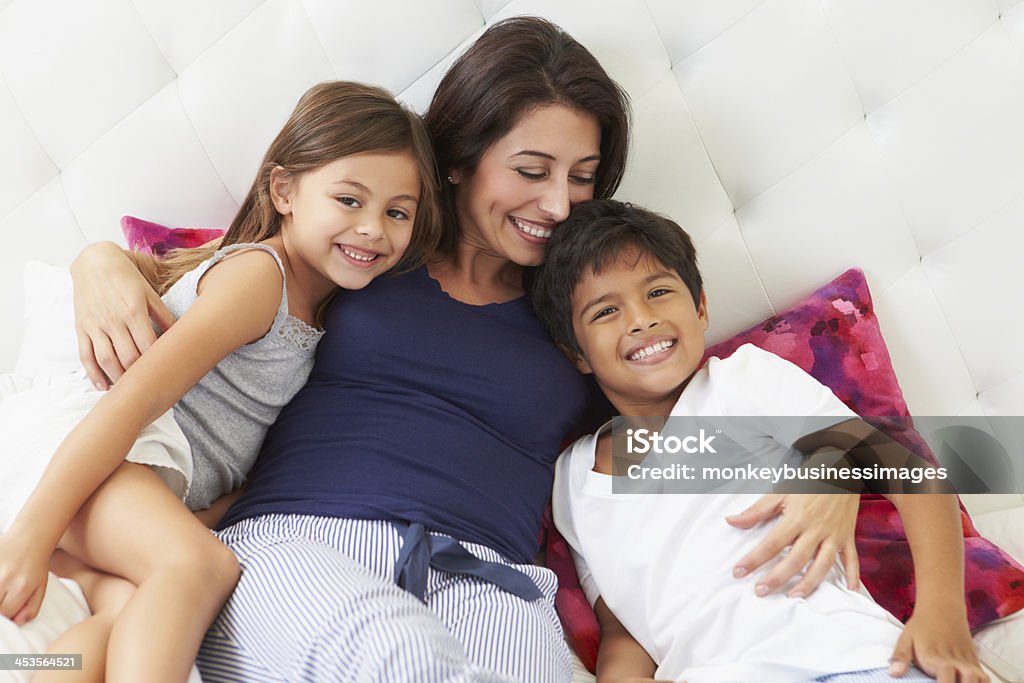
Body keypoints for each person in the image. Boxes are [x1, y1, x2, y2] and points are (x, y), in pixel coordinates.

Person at [67, 18, 865, 682]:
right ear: (457, 158)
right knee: (403, 659)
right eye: (530, 169)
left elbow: (695, 433)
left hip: (495, 585)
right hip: (299, 545)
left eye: (582, 177)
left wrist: (838, 471)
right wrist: (96, 262)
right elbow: (211, 270)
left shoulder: (589, 319)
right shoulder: (369, 243)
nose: (557, 204)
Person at [0, 80, 441, 683]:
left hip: (135, 482)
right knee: (201, 568)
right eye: (349, 200)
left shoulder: (326, 316)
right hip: (92, 454)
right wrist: (29, 535)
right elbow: (136, 400)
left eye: (396, 213)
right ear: (284, 190)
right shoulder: (260, 280)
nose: (372, 229)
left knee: (121, 615)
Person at [531, 199, 988, 683]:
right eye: (605, 311)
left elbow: (909, 470)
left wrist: (942, 617)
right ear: (576, 353)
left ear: (701, 306)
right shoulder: (572, 480)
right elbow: (623, 631)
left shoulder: (742, 381)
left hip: (843, 659)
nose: (641, 320)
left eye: (659, 291)